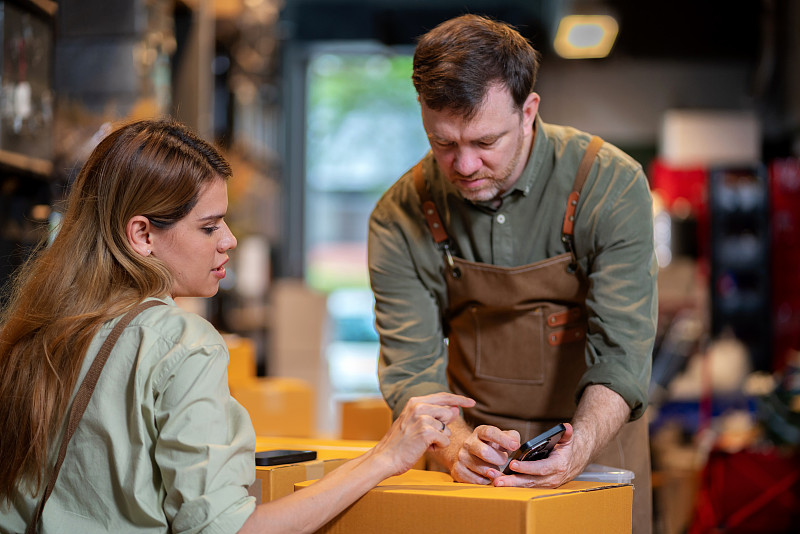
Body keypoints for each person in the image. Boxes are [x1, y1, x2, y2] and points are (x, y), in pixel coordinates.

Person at [0, 118, 474, 534]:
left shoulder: (36, 332)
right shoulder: (181, 344)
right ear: (142, 234)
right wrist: (385, 457)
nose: (228, 240)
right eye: (208, 227)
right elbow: (231, 530)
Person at [367, 14, 657, 533]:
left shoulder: (609, 185)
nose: (464, 166)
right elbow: (411, 368)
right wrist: (457, 447)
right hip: (470, 460)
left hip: (597, 449)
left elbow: (622, 353)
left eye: (485, 142)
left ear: (528, 112)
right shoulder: (400, 215)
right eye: (443, 143)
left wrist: (579, 448)